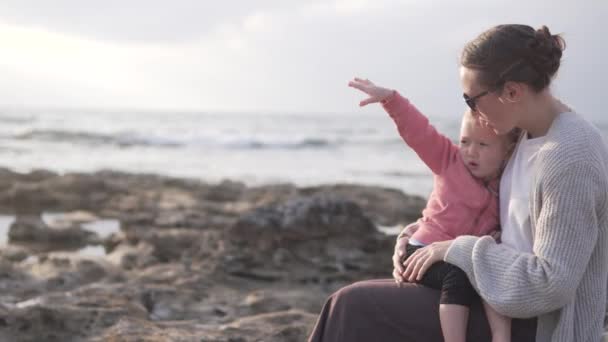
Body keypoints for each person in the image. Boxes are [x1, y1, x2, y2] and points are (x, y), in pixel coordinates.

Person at [308, 24, 608, 342]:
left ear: (512, 92)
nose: (472, 112)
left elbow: (550, 284)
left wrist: (455, 249)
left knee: (354, 306)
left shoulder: (571, 157)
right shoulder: (522, 137)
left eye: (471, 100)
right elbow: (488, 212)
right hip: (494, 296)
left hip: (540, 326)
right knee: (352, 301)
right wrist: (423, 238)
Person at [348, 76, 517, 342]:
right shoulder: (448, 160)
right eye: (465, 141)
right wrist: (391, 99)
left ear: (507, 151)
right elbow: (419, 132)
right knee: (458, 275)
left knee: (490, 274)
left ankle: (501, 336)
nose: (471, 152)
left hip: (461, 254)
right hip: (422, 250)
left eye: (483, 145)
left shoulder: (507, 182)